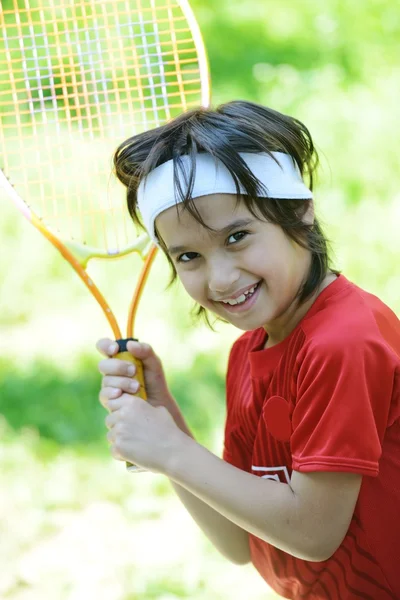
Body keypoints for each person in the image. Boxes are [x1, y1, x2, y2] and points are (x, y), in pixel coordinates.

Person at [96, 101, 400, 599]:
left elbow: (312, 533)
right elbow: (239, 541)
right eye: (189, 256)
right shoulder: (250, 350)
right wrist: (164, 419)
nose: (220, 278)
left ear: (299, 210)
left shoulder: (344, 342)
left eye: (237, 237)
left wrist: (173, 452)